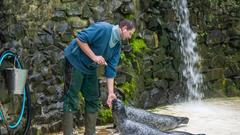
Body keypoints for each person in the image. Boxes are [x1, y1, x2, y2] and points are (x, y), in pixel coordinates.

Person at [62, 19, 135, 135]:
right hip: (75, 61)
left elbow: (111, 69)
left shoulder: (117, 45)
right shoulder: (103, 29)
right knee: (71, 99)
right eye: (130, 33)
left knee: (93, 99)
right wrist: (94, 57)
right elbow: (80, 39)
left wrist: (111, 93)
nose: (130, 37)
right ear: (124, 28)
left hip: (90, 68)